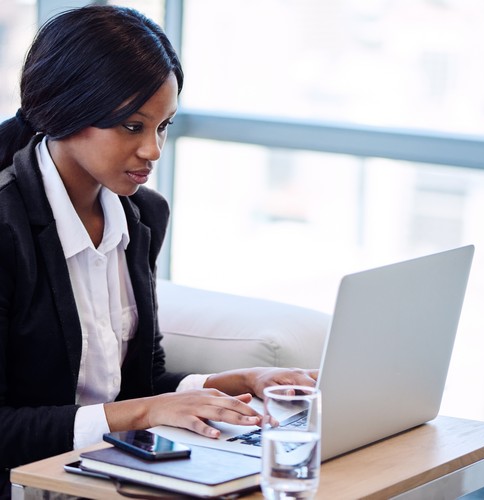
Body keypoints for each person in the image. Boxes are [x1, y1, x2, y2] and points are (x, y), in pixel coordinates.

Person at [0, 5, 317, 498]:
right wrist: (145, 412)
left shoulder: (142, 215)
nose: (153, 150)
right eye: (133, 126)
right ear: (67, 112)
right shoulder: (7, 227)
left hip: (102, 473)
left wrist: (242, 380)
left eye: (163, 126)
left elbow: (139, 382)